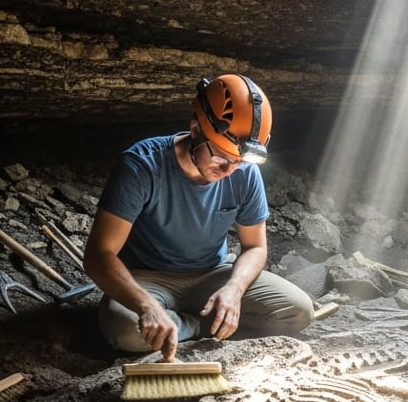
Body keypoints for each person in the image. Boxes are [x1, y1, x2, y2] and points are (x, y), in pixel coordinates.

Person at [84, 73, 313, 361]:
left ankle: (184, 325)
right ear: (195, 130)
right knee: (126, 330)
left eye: (238, 161)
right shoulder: (141, 165)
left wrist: (234, 289)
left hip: (213, 273)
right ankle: (197, 323)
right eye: (220, 156)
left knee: (298, 311)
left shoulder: (245, 172)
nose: (229, 169)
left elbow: (255, 247)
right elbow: (98, 254)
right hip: (148, 278)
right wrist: (146, 307)